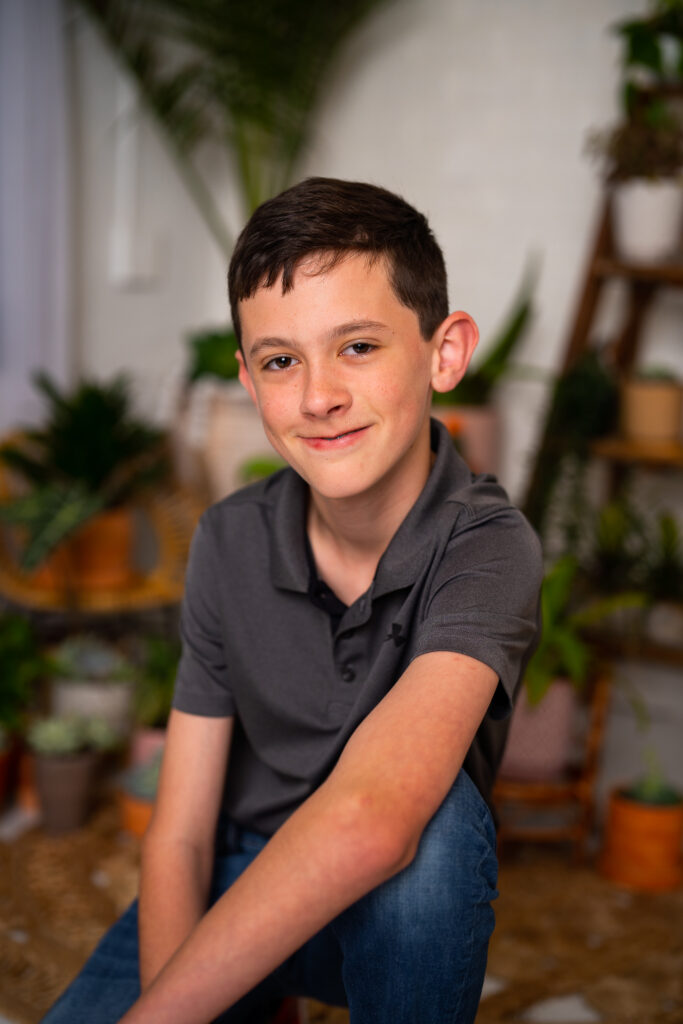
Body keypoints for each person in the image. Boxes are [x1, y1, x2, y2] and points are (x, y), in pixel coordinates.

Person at [42, 177, 542, 1024]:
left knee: (437, 834)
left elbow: (373, 819)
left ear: (444, 352)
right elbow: (180, 834)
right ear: (248, 379)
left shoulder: (487, 547)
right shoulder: (229, 539)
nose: (317, 397)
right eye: (281, 361)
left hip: (389, 904)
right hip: (237, 870)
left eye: (358, 346)